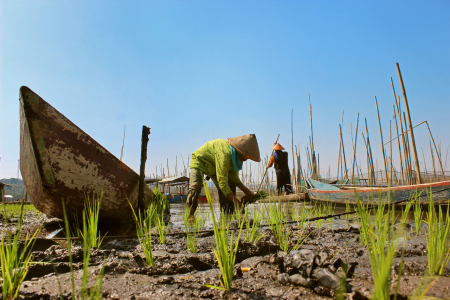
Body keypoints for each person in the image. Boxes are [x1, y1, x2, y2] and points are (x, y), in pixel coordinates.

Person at [186, 134, 260, 217]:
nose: (246, 159)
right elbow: (222, 182)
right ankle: (189, 216)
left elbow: (233, 177)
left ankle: (227, 215)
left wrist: (246, 191)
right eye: (246, 156)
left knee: (230, 183)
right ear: (240, 151)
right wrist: (237, 202)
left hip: (214, 166)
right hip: (200, 162)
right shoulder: (224, 154)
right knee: (195, 187)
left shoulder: (235, 158)